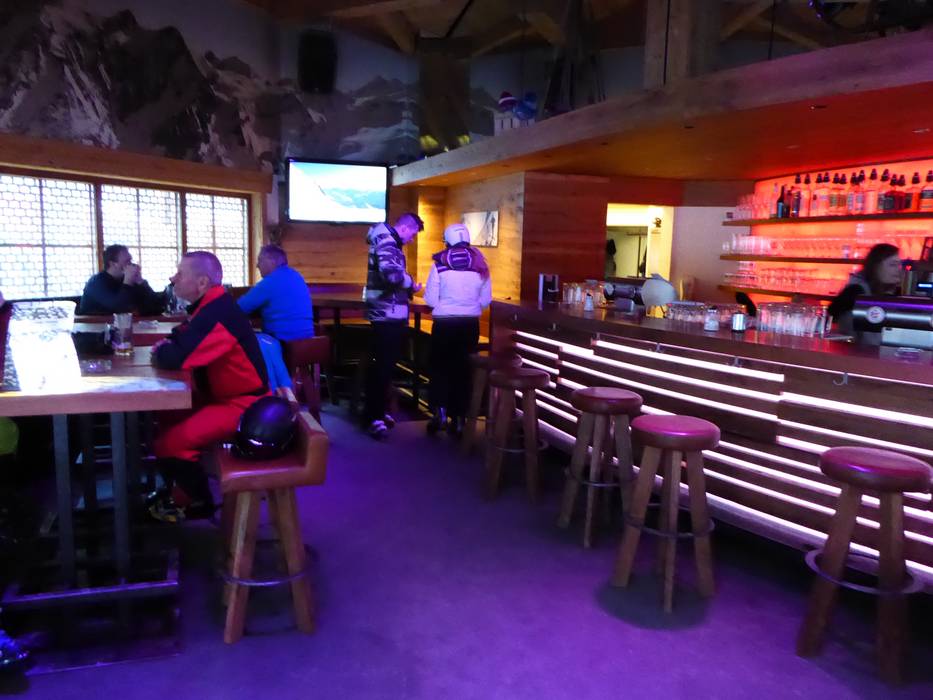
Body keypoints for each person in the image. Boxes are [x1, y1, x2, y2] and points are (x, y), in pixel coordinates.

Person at [147, 251, 269, 522]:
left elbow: (178, 356)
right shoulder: (209, 307)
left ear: (202, 282)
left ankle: (195, 502)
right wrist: (168, 348)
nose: (173, 278)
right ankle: (176, 489)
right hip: (219, 396)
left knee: (171, 443)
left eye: (180, 273)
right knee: (166, 416)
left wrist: (163, 351)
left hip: (244, 405)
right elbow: (180, 338)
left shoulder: (219, 312)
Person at [423, 223, 492, 436]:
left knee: (440, 368)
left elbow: (431, 300)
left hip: (444, 325)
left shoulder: (439, 265)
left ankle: (440, 414)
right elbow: (485, 300)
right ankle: (460, 419)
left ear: (447, 241)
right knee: (462, 371)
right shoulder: (480, 265)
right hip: (469, 325)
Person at [362, 211, 424, 439]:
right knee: (382, 367)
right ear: (405, 228)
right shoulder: (388, 241)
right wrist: (411, 283)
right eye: (413, 234)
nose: (412, 239)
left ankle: (378, 411)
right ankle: (372, 417)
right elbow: (391, 275)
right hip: (386, 313)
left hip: (387, 313)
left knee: (383, 367)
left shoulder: (386, 240)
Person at [237, 244, 315, 342]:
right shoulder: (297, 276)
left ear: (272, 261)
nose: (257, 265)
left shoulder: (270, 282)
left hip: (283, 342)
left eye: (260, 260)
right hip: (308, 340)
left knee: (244, 341)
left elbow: (240, 308)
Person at [828, 243, 901, 335]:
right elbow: (830, 314)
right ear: (876, 266)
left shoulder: (892, 293)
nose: (898, 269)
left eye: (899, 265)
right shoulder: (856, 291)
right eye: (892, 265)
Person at [78, 244, 165, 315]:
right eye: (127, 261)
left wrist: (140, 281)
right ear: (113, 264)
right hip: (95, 327)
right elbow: (119, 309)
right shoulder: (96, 282)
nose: (131, 265)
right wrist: (127, 281)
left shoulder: (127, 280)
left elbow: (157, 306)